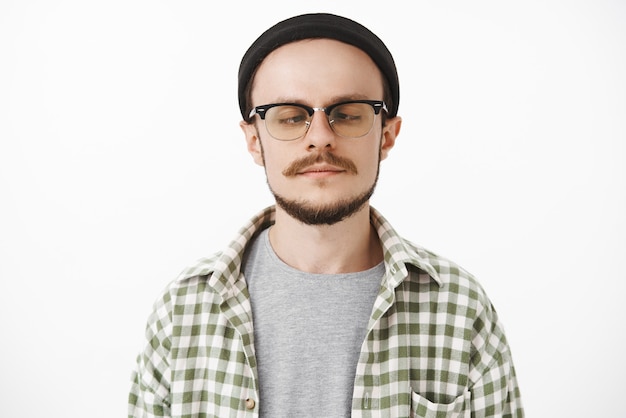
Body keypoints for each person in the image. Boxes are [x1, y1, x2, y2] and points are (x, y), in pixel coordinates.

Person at [129, 12, 524, 417]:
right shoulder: (182, 312)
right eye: (290, 116)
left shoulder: (460, 309)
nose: (319, 136)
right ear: (254, 141)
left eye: (348, 113)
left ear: (387, 134)